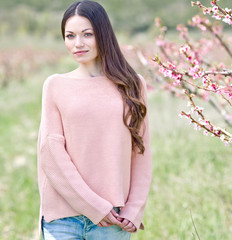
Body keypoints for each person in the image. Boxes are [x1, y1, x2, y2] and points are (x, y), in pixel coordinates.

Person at [37, 0, 152, 239]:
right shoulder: (56, 85)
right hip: (63, 219)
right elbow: (51, 154)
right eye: (70, 36)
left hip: (114, 220)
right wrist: (93, 207)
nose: (77, 43)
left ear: (103, 34)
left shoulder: (132, 84)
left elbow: (140, 150)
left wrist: (135, 209)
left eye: (87, 34)